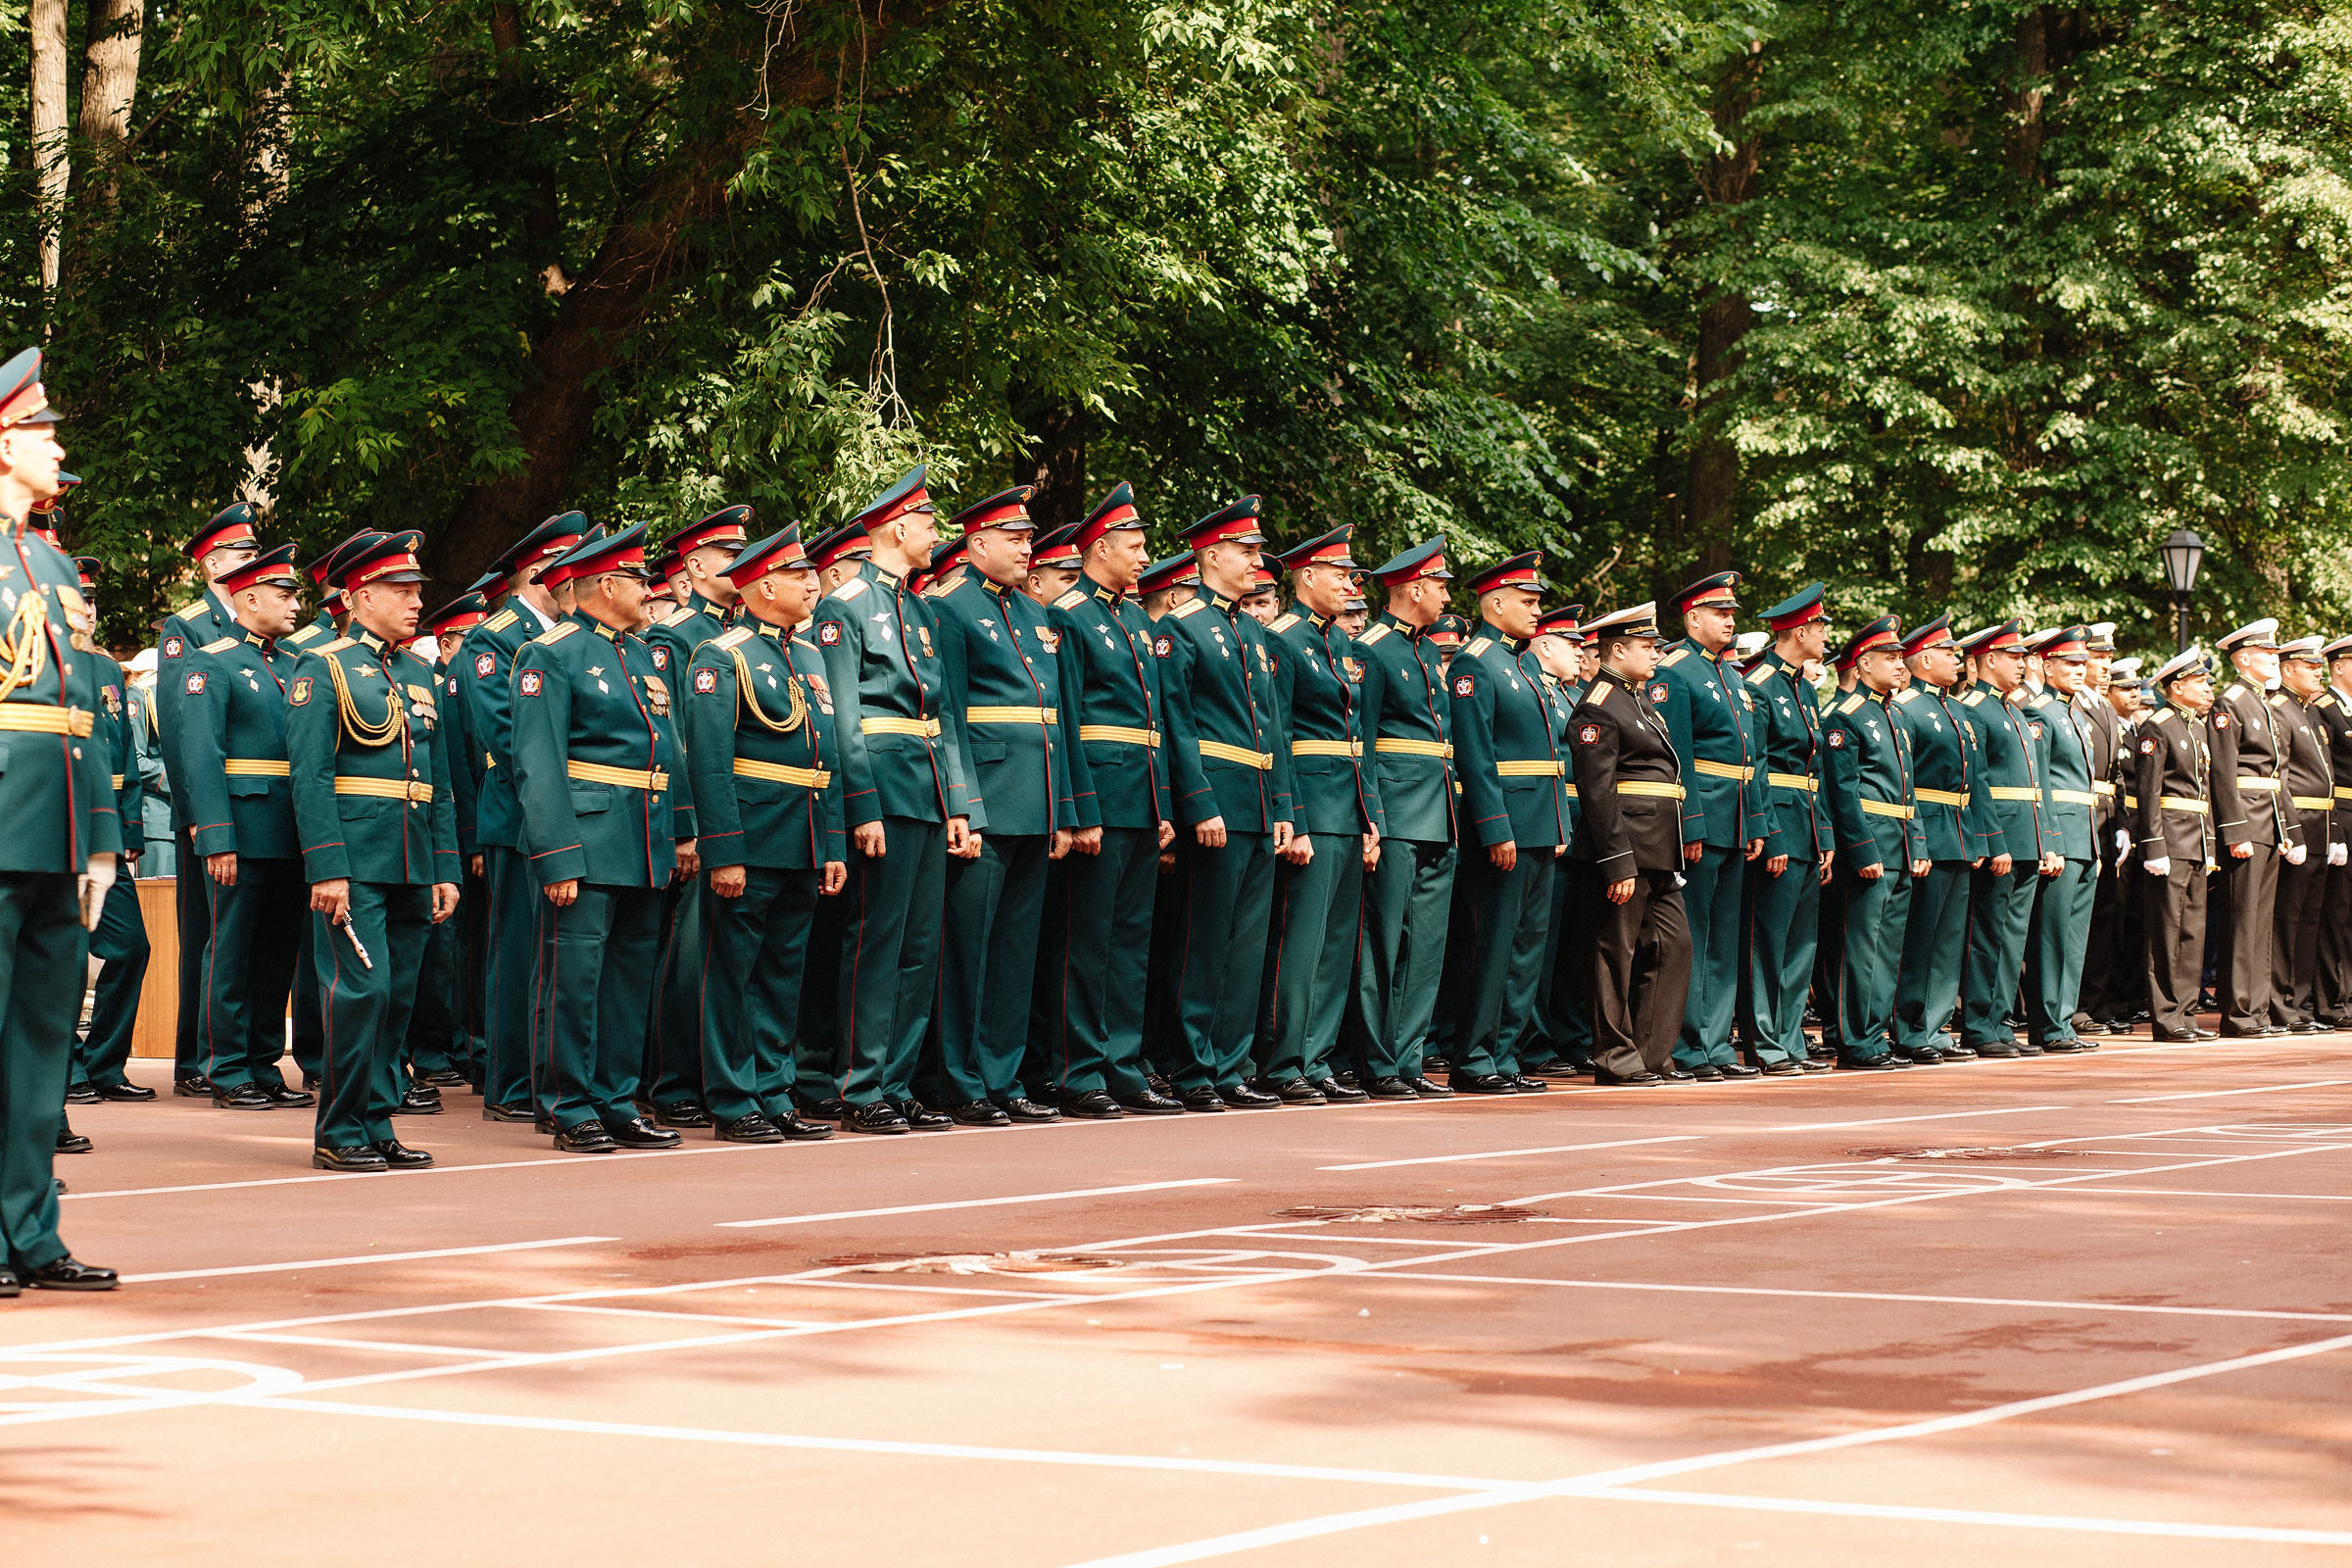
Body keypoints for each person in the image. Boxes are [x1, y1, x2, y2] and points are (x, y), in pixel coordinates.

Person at [0, 347, 121, 1290]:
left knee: (43, 1048)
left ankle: (31, 1233)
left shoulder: (51, 562)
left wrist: (105, 842)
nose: (59, 447)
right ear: (5, 443)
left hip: (62, 833)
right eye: (44, 432)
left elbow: (87, 716)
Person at [284, 531, 462, 1172]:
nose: (417, 602)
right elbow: (310, 777)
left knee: (397, 998)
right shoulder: (323, 668)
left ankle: (378, 1121)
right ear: (360, 597)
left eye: (417, 591)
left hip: (412, 859)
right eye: (401, 590)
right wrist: (327, 866)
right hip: (355, 862)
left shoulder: (418, 672)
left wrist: (444, 866)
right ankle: (339, 1130)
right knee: (361, 993)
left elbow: (437, 781)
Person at [511, 523, 690, 1153]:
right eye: (639, 579)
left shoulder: (641, 654)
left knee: (629, 979)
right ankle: (568, 1103)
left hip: (643, 838)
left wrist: (682, 833)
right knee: (573, 981)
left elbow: (669, 750)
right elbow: (538, 762)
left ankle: (617, 1100)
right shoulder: (550, 654)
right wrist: (557, 854)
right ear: (608, 584)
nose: (650, 590)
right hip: (586, 841)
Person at [812, 467, 974, 1135]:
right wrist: (862, 805)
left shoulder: (920, 608)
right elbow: (843, 718)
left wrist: (959, 804)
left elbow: (943, 715)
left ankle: (896, 1081)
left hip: (927, 788)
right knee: (875, 942)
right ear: (898, 528)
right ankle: (860, 1084)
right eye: (929, 524)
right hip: (883, 784)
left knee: (918, 945)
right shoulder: (845, 605)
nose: (937, 535)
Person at [684, 524, 843, 1143]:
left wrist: (831, 845)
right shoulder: (722, 656)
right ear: (764, 586)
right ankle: (732, 1099)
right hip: (751, 842)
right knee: (732, 975)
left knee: (782, 975)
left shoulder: (809, 656)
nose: (812, 583)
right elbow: (709, 763)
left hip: (802, 838)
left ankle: (774, 1093)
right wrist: (724, 850)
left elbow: (825, 759)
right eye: (799, 574)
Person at [1032, 483, 1180, 1117]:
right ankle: (1078, 1070)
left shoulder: (1137, 620)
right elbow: (1065, 720)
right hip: (1101, 795)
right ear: (1100, 549)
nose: (1145, 557)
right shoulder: (1069, 616)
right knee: (1085, 945)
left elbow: (1156, 723)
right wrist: (1080, 808)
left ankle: (1122, 1065)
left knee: (1129, 943)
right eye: (1135, 546)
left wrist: (1164, 807)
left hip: (1140, 799)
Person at [929, 484, 1071, 1126]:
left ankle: (1003, 1077)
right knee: (969, 952)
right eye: (1013, 540)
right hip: (987, 799)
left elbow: (1053, 717)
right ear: (977, 543)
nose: (1025, 550)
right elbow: (950, 716)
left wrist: (1063, 809)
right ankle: (960, 1080)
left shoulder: (1035, 614)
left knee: (1015, 951)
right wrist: (964, 805)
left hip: (1035, 801)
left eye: (1027, 539)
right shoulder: (950, 608)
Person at [1155, 496, 1295, 1111]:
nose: (1256, 562)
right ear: (1211, 556)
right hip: (1216, 802)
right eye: (1245, 551)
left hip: (1258, 804)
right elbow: (1177, 723)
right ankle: (1192, 1068)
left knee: (1245, 946)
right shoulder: (1180, 628)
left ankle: (1231, 1065)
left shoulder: (1253, 632)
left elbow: (1274, 730)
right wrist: (1198, 802)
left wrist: (1283, 808)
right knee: (1204, 942)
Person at [177, 544, 316, 1109]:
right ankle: (226, 1067)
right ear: (250, 598)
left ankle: (262, 1063)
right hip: (240, 829)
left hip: (290, 831)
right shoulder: (211, 662)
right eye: (284, 595)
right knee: (231, 952)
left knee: (278, 954)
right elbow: (200, 755)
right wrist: (215, 836)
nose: (295, 604)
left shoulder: (294, 663)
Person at [458, 512, 584, 1123]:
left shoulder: (573, 637)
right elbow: (509, 738)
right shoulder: (494, 639)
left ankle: (557, 1077)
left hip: (571, 815)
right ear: (540, 573)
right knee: (518, 953)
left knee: (561, 957)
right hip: (519, 816)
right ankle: (511, 1083)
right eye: (570, 569)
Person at [640, 504, 753, 1129]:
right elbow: (676, 740)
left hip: (734, 811)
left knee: (719, 955)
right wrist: (688, 825)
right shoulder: (675, 637)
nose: (740, 561)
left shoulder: (741, 634)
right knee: (685, 953)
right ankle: (672, 1078)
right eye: (728, 554)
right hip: (694, 816)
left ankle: (714, 1075)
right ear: (696, 568)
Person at [1257, 525, 1378, 1103]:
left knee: (1335, 946)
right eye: (1339, 574)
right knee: (1300, 944)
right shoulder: (1282, 640)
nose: (1349, 585)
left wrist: (1371, 817)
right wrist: (1294, 817)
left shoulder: (1343, 645)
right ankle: (1283, 1060)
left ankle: (1317, 1057)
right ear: (1307, 576)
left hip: (1347, 808)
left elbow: (1360, 741)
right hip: (1312, 803)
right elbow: (1277, 735)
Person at [1441, 554, 1566, 1095]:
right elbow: (1475, 755)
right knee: (1490, 949)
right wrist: (1495, 828)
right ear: (1494, 603)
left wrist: (1559, 826)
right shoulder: (1475, 663)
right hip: (1507, 826)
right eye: (1528, 601)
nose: (1537, 611)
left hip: (1540, 824)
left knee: (1525, 950)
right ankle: (1473, 1057)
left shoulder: (1525, 664)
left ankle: (1506, 1054)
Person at [156, 502, 262, 1098]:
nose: (254, 561)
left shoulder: (257, 625)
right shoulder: (189, 627)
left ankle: (237, 1052)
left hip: (252, 808)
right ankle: (195, 1060)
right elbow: (179, 731)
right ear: (213, 564)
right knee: (205, 934)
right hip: (207, 810)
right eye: (243, 554)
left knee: (243, 936)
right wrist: (198, 815)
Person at [1348, 537, 1458, 1100]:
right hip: (1394, 813)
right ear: (1414, 589)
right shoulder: (1372, 650)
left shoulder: (1428, 654)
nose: (1446, 596)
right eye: (1439, 585)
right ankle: (1377, 1061)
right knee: (1382, 945)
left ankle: (1409, 1059)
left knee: (1426, 951)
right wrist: (1371, 817)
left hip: (1438, 813)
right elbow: (1362, 743)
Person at [1566, 602, 1688, 1086]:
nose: (1656, 654)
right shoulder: (1599, 704)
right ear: (1618, 651)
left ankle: (1652, 1055)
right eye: (1646, 646)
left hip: (1657, 848)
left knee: (1675, 946)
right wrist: (1617, 861)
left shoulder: (1636, 700)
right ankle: (1615, 1058)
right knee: (1614, 954)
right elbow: (1597, 790)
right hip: (1626, 850)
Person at [1654, 571, 1765, 1081]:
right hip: (1704, 818)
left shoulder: (1731, 675)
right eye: (1720, 613)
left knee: (1724, 940)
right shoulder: (1675, 671)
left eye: (1732, 614)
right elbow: (1678, 754)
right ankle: (1688, 1044)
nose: (1729, 621)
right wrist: (1691, 823)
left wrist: (1756, 821)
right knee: (1694, 937)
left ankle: (1716, 1043)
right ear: (1693, 617)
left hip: (1737, 819)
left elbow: (1750, 759)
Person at [1818, 616, 1925, 1069]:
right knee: (1860, 948)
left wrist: (1918, 844)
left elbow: (1909, 789)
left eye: (1901, 656)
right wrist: (1860, 848)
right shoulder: (1846, 716)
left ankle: (1874, 1035)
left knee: (1887, 948)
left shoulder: (1897, 716)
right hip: (1872, 844)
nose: (1900, 664)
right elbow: (1842, 791)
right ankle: (1855, 1039)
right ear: (1863, 664)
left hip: (1900, 843)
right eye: (1890, 657)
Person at [66, 555, 153, 1106]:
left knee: (130, 947)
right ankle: (66, 1069)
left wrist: (130, 830)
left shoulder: (106, 671)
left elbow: (124, 759)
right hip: (53, 833)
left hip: (103, 837)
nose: (90, 608)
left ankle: (104, 1063)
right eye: (79, 598)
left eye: (94, 599)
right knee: (65, 961)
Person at [1739, 585, 1835, 1075]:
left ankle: (1792, 1039)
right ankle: (1765, 1042)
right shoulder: (1758, 683)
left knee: (1801, 944)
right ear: (1799, 632)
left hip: (1807, 824)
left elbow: (1813, 770)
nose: (1825, 637)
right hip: (1779, 823)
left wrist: (1826, 836)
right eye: (1820, 628)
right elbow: (1754, 765)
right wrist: (1770, 833)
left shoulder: (1804, 688)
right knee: (1768, 943)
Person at [1954, 620, 2055, 1059]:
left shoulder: (2013, 709)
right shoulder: (1974, 708)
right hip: (2002, 838)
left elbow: (2036, 784)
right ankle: (1979, 1026)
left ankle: (1999, 1022)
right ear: (1989, 660)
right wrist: (1994, 842)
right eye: (2013, 657)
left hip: (2027, 837)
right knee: (1988, 935)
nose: (2021, 664)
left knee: (2012, 939)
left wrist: (2046, 839)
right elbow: (1977, 783)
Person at [1889, 613, 1984, 1064]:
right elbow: (1905, 781)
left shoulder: (1958, 710)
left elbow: (1974, 782)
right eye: (1949, 652)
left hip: (1959, 831)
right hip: (1928, 827)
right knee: (1921, 939)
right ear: (1924, 659)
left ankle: (1937, 1026)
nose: (1957, 659)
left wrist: (1980, 840)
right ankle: (1910, 1029)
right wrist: (1917, 839)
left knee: (1948, 941)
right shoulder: (1907, 707)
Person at [2208, 618, 2295, 1037]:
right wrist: (2235, 830)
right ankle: (2239, 1012)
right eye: (2267, 653)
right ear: (2243, 659)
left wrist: (2287, 829)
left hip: (2269, 819)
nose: (2275, 659)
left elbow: (2278, 774)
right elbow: (2224, 772)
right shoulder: (2231, 702)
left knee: (2261, 922)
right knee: (2242, 921)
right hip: (2247, 819)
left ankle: (2257, 1009)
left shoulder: (2262, 702)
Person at [2023, 626, 2100, 1054]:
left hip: (2084, 838)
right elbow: (2041, 786)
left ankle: (2063, 1021)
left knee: (2074, 939)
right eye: (2070, 663)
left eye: (2082, 663)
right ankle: (2048, 1023)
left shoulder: (2075, 714)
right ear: (2046, 666)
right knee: (2051, 937)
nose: (2079, 669)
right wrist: (2049, 841)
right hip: (2061, 838)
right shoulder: (2040, 713)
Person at [2136, 649, 2219, 1041]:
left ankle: (2185, 1011)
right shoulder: (2158, 726)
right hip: (2170, 838)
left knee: (2192, 932)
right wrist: (2153, 845)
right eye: (2200, 682)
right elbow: (2148, 791)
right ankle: (2166, 1016)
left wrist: (2210, 844)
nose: (2207, 688)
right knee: (2167, 932)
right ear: (2177, 686)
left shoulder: (2197, 728)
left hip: (2196, 838)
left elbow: (2205, 794)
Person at [2270, 637, 2338, 1031]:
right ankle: (2281, 1005)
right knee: (2287, 921)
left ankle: (2299, 1001)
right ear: (2287, 670)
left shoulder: (2309, 710)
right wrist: (2291, 828)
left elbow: (2327, 778)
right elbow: (2280, 777)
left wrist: (2336, 831)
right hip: (2299, 823)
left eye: (2318, 666)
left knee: (2309, 921)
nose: (2318, 672)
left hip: (2321, 825)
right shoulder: (2280, 709)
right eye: (2309, 667)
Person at [2315, 635, 2352, 1027]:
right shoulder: (2325, 708)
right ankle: (2333, 1001)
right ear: (2338, 667)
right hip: (2342, 811)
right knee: (2336, 912)